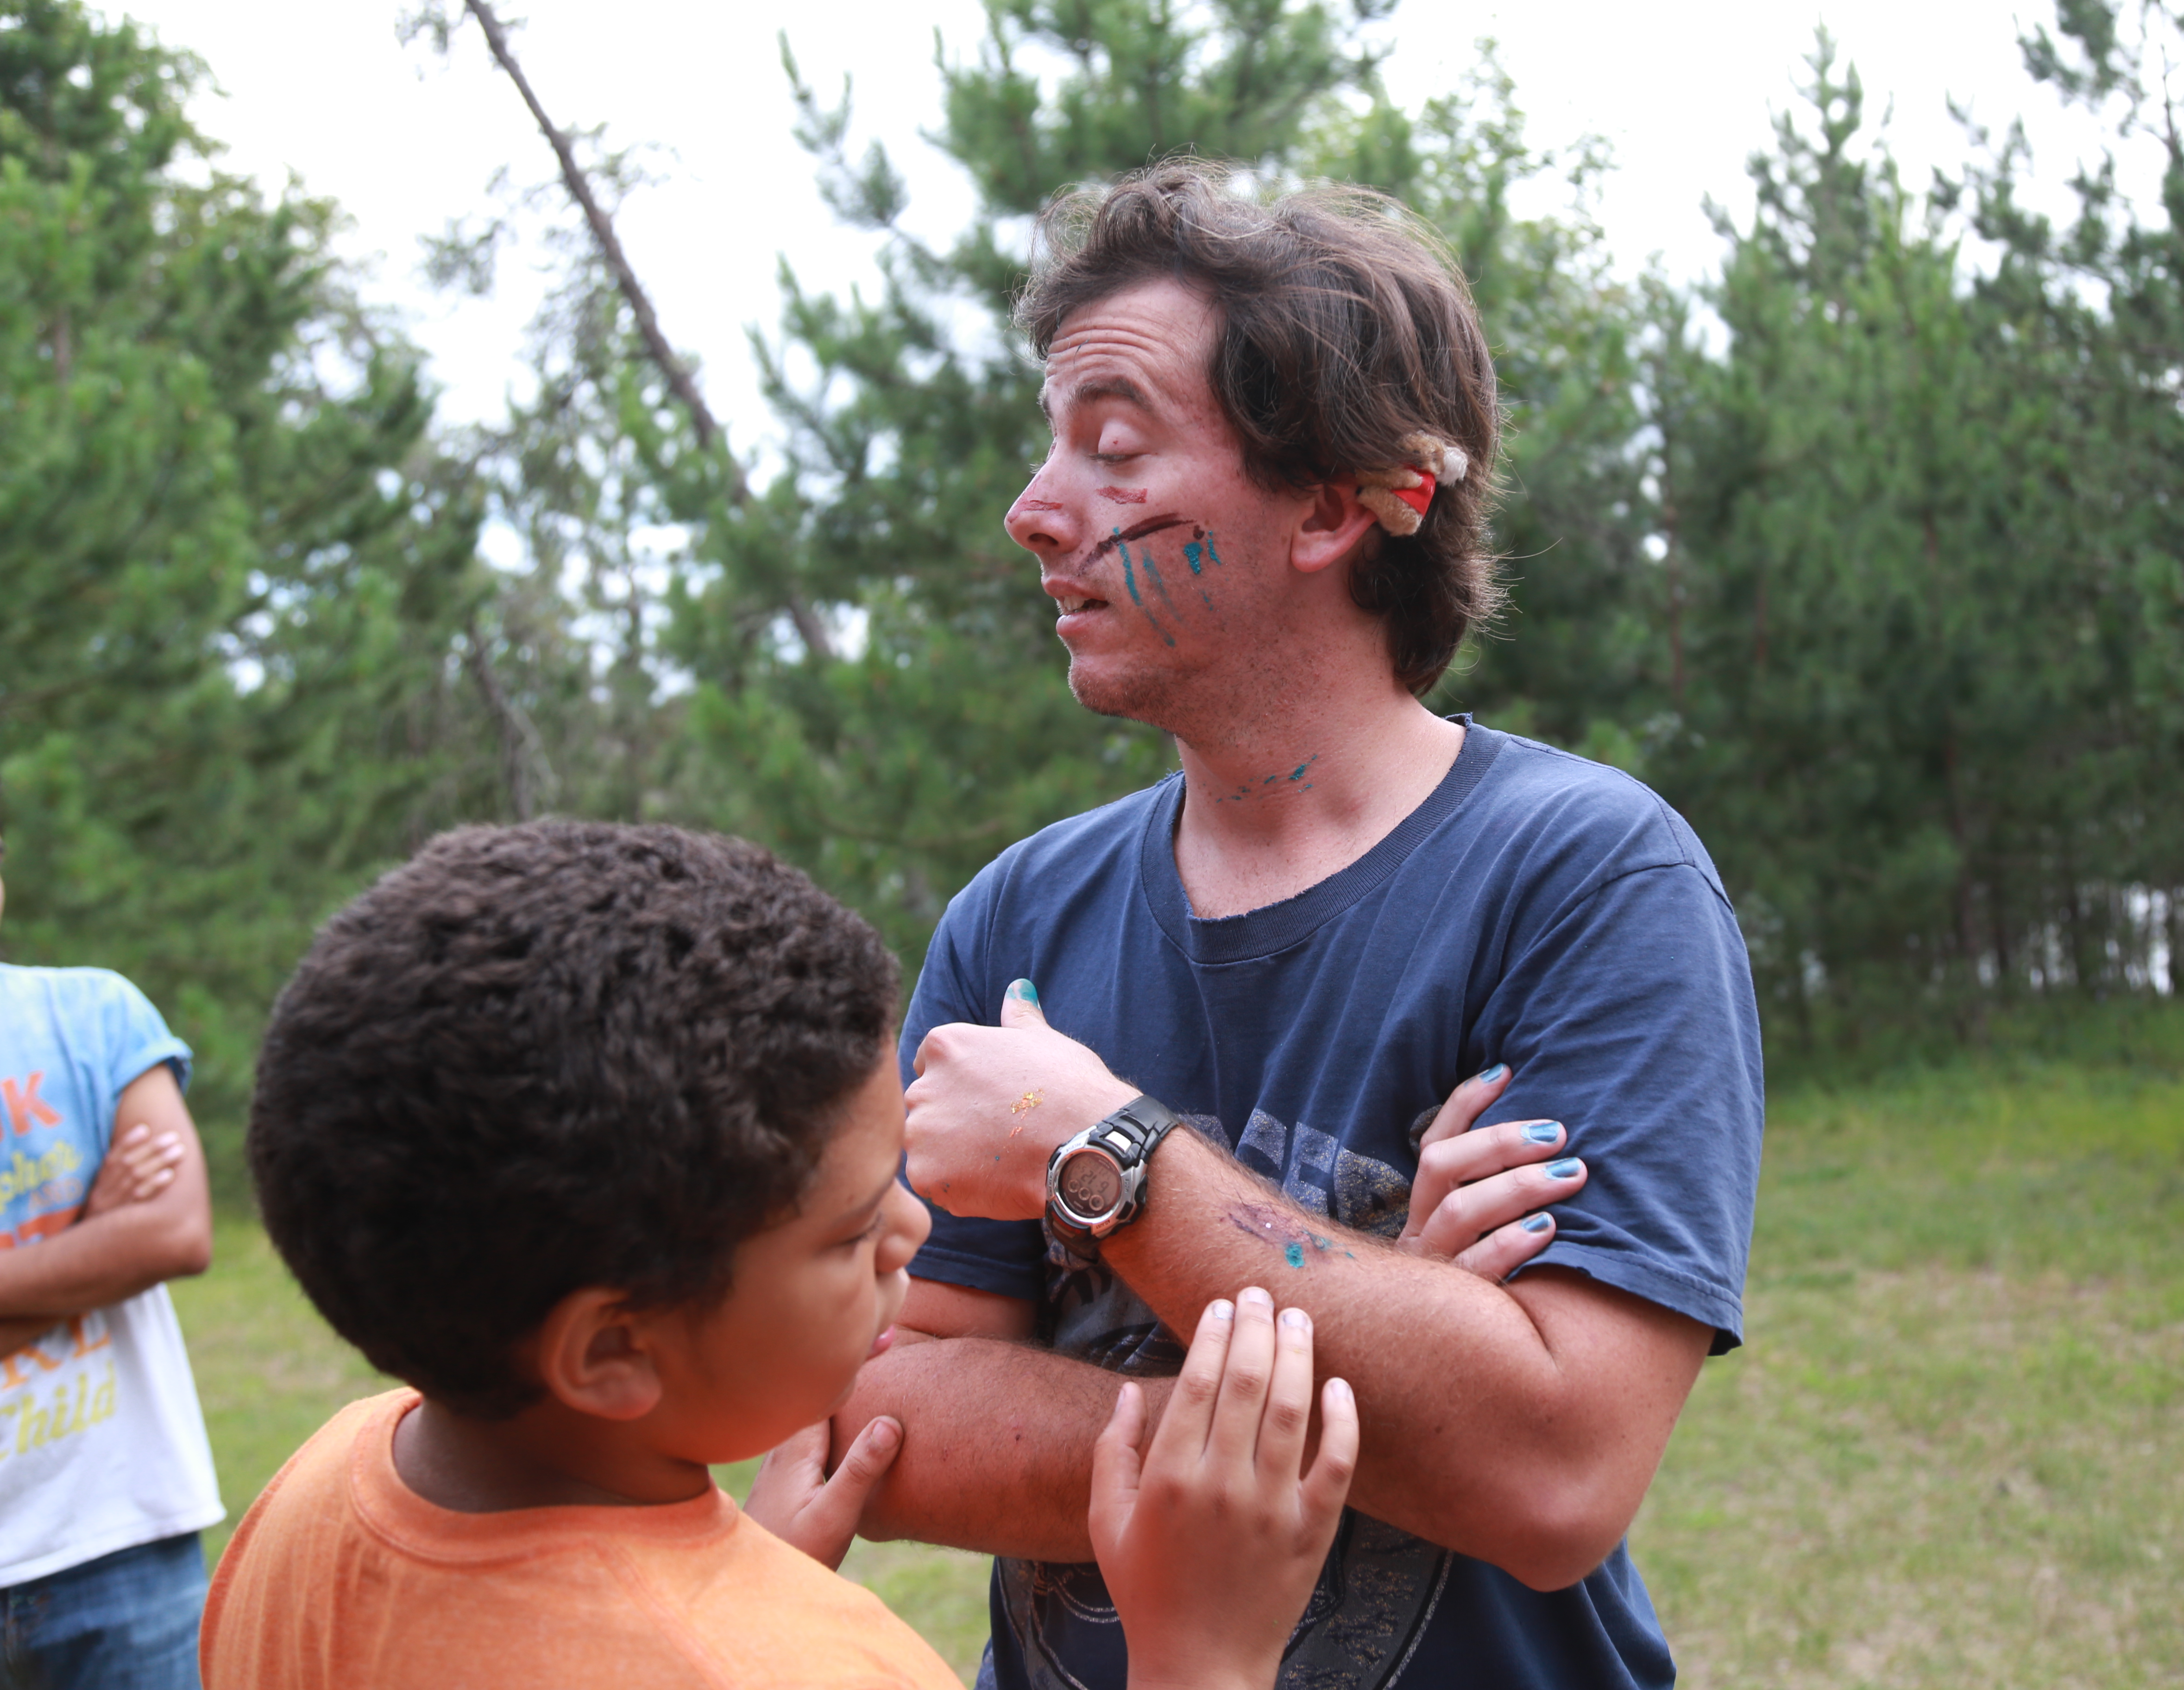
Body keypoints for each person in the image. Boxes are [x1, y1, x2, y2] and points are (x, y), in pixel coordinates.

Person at [835, 164, 1767, 1690]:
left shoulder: (1589, 880)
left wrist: (1104, 1154)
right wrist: (1401, 1346)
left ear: (1336, 503)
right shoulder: (1021, 914)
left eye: (1113, 448)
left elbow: (1553, 1476)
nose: (1033, 511)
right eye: (1050, 444)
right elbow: (875, 1425)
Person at [205, 820, 1361, 1690]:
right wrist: (1199, 1662)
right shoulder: (820, 1668)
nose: (913, 1230)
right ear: (611, 1351)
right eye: (850, 1232)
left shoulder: (319, 1494)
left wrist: (737, 1580)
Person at [0, 835, 224, 1690]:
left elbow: (176, 1234)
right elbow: (135, 1242)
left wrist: (122, 1236)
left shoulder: (94, 1014)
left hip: (121, 1540)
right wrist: (94, 1234)